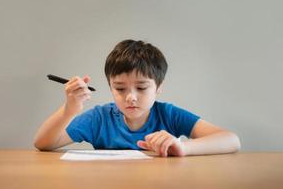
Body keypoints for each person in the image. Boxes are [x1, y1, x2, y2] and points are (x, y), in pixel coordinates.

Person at [34, 39, 241, 157]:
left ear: (158, 87)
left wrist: (183, 147)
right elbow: (43, 143)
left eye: (141, 87)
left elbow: (231, 140)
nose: (131, 97)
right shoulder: (100, 118)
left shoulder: (168, 114)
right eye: (120, 88)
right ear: (110, 87)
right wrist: (69, 109)